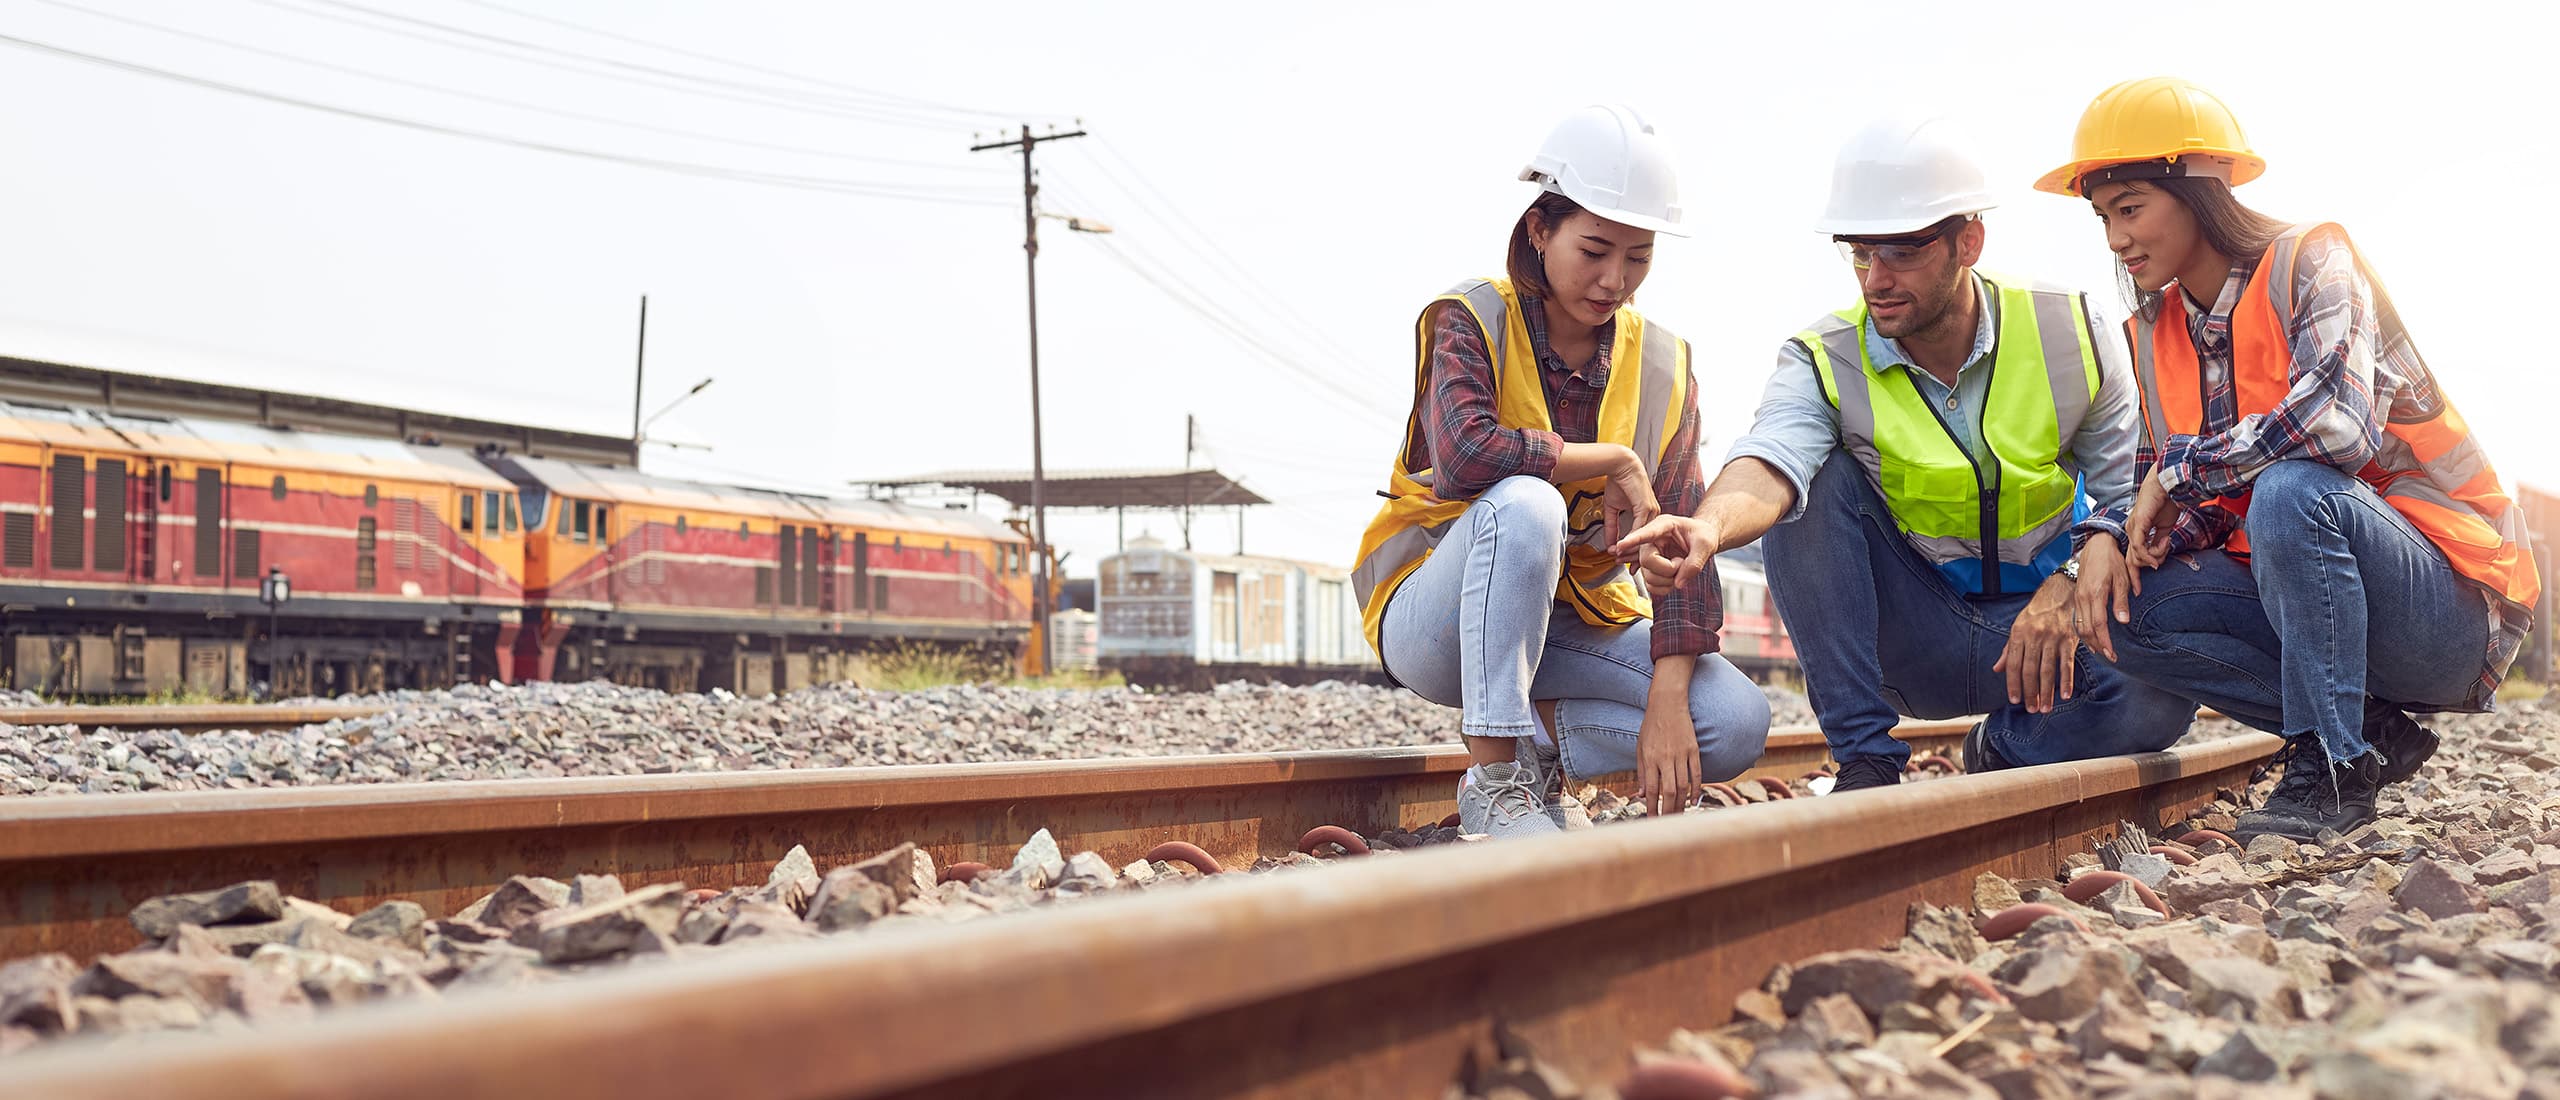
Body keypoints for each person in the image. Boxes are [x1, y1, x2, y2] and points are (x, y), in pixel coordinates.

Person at [1613, 117, 2194, 792]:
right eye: (1860, 254)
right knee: (1810, 482)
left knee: (2159, 693)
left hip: (2048, 625)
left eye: (1902, 253)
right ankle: (1864, 761)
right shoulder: (1824, 358)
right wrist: (1708, 528)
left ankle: (2004, 751)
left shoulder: (2072, 333)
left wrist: (2067, 583)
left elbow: (2131, 498)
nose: (1875, 279)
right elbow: (1771, 459)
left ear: (1967, 241)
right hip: (1917, 639)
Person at [2036, 77, 2541, 841]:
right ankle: (2369, 731)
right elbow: (2173, 496)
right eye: (2105, 216)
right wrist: (2106, 539)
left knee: (2292, 491)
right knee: (2126, 605)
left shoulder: (2313, 261)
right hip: (2319, 608)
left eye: (2131, 208)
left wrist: (2175, 475)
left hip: (2452, 605)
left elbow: (2336, 427)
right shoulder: (2151, 333)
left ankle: (2332, 768)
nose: (2115, 238)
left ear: (2200, 191)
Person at [1352, 104, 1770, 838]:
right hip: (1436, 621)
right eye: (1595, 250)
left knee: (1732, 723)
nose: (1615, 279)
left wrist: (1669, 700)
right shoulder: (1469, 318)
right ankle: (1494, 781)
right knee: (1526, 504)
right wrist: (1614, 459)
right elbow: (1468, 456)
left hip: (1565, 631)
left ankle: (1535, 746)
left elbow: (1686, 544)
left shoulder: (1667, 367)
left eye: (1638, 256)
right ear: (1540, 230)